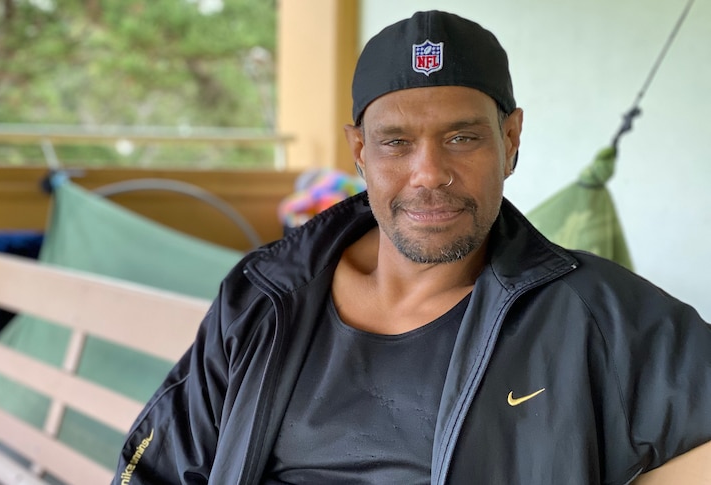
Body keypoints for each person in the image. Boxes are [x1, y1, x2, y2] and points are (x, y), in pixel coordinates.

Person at [113, 10, 711, 484]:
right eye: (396, 142)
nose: (428, 173)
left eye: (462, 137)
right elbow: (161, 465)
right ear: (359, 150)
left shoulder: (594, 316)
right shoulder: (266, 295)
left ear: (510, 140)